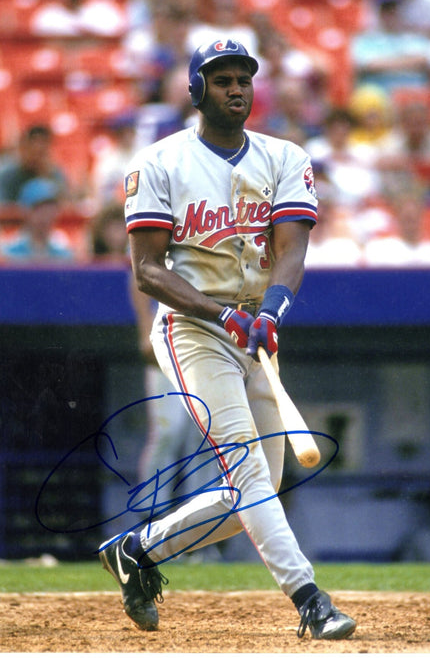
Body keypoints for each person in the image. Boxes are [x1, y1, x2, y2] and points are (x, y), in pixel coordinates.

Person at [98, 39, 356, 641]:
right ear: (196, 91)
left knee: (255, 490)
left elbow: (292, 249)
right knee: (247, 472)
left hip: (256, 330)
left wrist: (273, 310)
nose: (236, 89)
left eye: (243, 79)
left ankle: (137, 550)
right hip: (192, 328)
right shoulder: (158, 163)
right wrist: (223, 315)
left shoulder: (285, 156)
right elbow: (148, 271)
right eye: (221, 80)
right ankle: (311, 600)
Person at [1, 177, 74, 262]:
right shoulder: (10, 251)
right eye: (40, 209)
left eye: (51, 209)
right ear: (26, 211)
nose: (47, 216)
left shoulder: (63, 247)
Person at [0, 124, 69, 204]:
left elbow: (65, 203)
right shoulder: (7, 174)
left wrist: (45, 176)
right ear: (24, 148)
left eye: (41, 153)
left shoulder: (54, 173)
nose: (37, 157)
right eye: (34, 151)